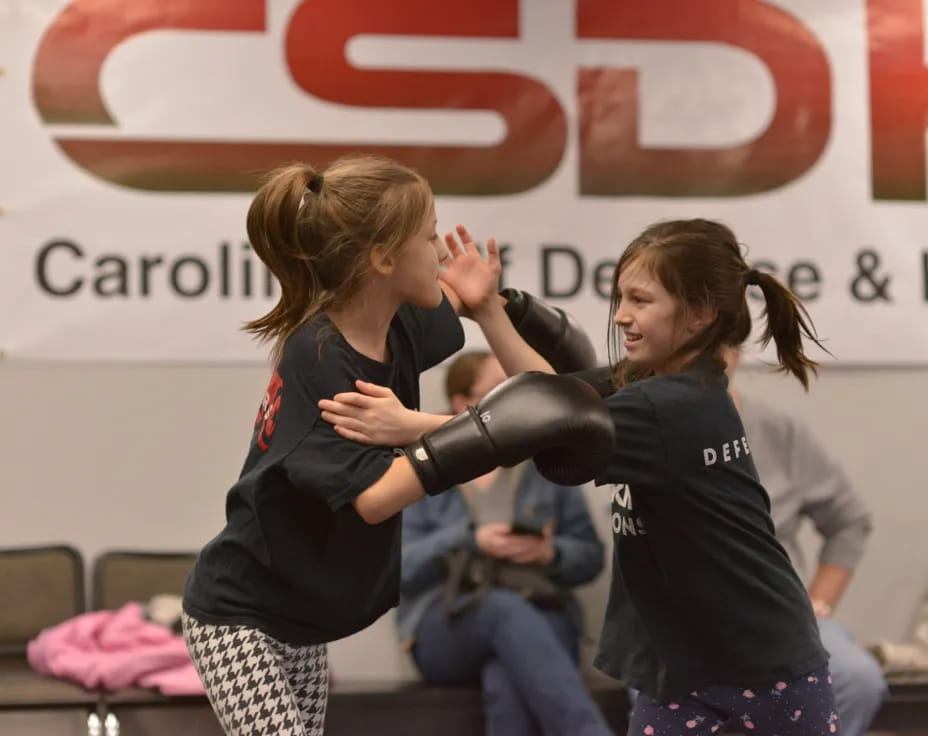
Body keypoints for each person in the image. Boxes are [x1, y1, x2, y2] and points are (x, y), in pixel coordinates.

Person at [321, 219, 842, 734]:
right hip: (682, 666)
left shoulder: (672, 405)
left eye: (641, 300)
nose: (621, 316)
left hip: (762, 663)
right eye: (620, 298)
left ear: (701, 314)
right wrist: (488, 311)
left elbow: (546, 428)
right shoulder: (649, 383)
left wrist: (411, 425)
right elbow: (551, 399)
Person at [180, 154, 614, 736]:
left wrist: (487, 309)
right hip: (240, 612)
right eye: (431, 236)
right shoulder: (321, 356)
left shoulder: (394, 324)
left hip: (300, 613)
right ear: (382, 258)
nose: (441, 253)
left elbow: (544, 400)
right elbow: (377, 497)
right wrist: (471, 429)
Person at [396, 351, 611, 736]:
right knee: (500, 608)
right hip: (446, 624)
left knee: (505, 679)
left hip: (543, 613)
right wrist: (470, 540)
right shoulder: (424, 470)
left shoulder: (546, 465)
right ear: (464, 404)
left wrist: (550, 552)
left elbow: (591, 557)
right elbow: (397, 572)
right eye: (498, 391)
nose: (510, 401)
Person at [724, 345, 887, 736]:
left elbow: (849, 519)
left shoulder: (779, 432)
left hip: (783, 618)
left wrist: (819, 603)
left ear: (733, 351)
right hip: (683, 630)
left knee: (855, 679)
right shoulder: (648, 433)